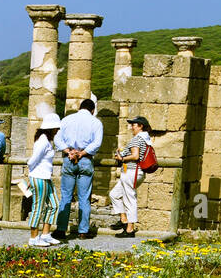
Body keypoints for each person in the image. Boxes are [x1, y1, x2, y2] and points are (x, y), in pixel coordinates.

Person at [52, 98, 104, 241]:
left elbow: (57, 138)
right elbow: (97, 143)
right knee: (84, 198)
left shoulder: (66, 120)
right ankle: (83, 231)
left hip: (69, 159)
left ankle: (61, 229)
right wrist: (82, 153)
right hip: (85, 160)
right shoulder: (96, 122)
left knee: (66, 196)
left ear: (79, 107)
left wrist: (68, 150)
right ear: (92, 110)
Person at [109, 115, 153, 239]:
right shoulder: (145, 139)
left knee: (130, 199)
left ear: (141, 126)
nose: (131, 127)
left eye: (134, 125)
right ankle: (124, 220)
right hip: (134, 172)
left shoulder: (137, 139)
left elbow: (135, 156)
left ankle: (130, 229)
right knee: (114, 194)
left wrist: (122, 157)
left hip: (132, 172)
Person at [27, 113, 62, 246]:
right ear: (52, 128)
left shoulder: (45, 140)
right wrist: (31, 175)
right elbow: (32, 161)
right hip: (39, 177)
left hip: (45, 178)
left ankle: (46, 234)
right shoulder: (42, 141)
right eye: (56, 128)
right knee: (38, 207)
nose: (58, 130)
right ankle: (33, 238)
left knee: (54, 205)